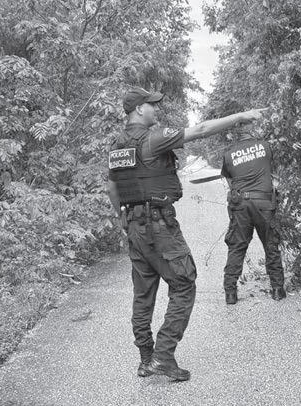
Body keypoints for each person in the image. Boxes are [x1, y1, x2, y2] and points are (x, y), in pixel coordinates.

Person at [107, 86, 265, 382]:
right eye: (151, 105)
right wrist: (241, 116)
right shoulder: (152, 139)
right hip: (159, 227)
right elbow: (201, 130)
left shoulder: (117, 147)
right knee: (184, 284)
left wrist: (123, 219)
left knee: (143, 295)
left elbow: (112, 187)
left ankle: (145, 360)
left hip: (135, 229)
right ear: (139, 109)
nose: (156, 109)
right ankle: (163, 356)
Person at [220, 121, 286, 305]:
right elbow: (274, 168)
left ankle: (230, 293)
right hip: (264, 203)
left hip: (240, 204)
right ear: (253, 131)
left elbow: (230, 182)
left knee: (237, 246)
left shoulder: (228, 155)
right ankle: (277, 289)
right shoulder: (265, 146)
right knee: (270, 244)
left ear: (236, 135)